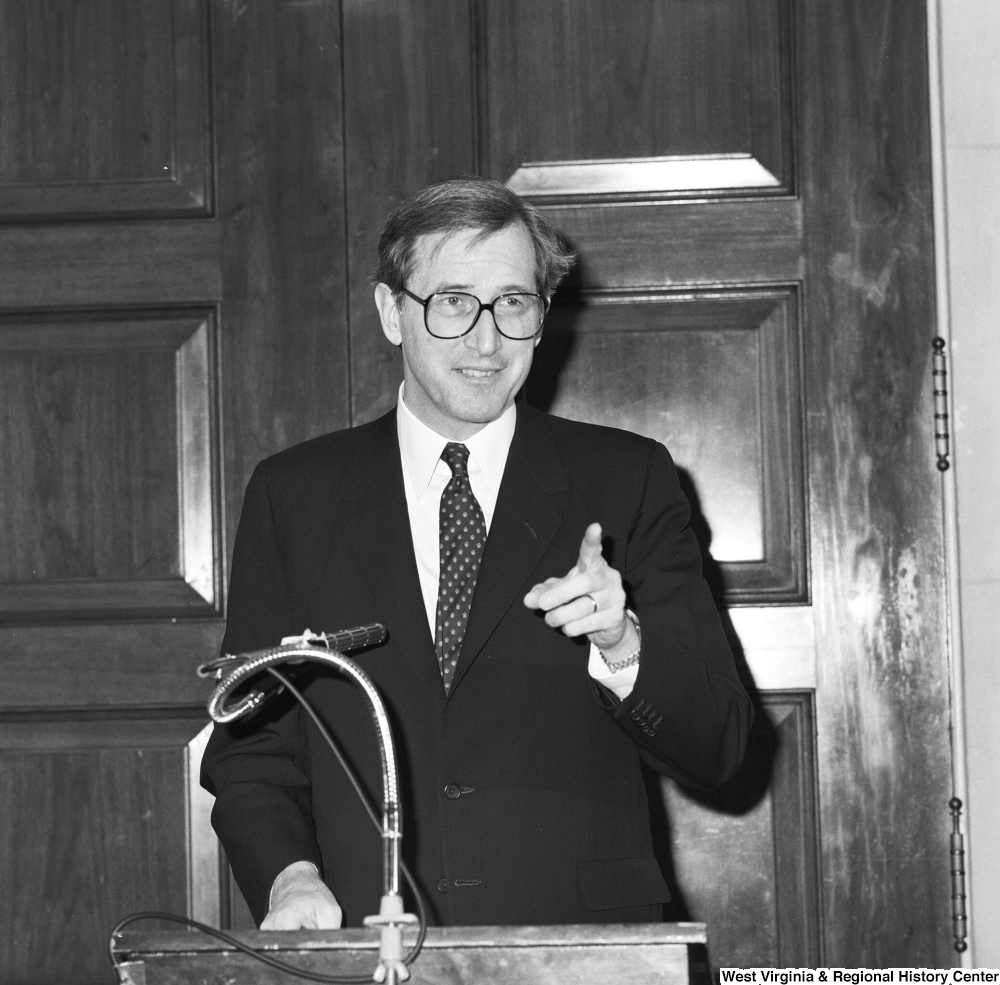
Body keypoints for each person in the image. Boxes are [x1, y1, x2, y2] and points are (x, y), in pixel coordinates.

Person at [201, 176, 752, 931]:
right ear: (392, 312)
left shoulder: (629, 479)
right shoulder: (293, 495)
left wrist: (622, 643)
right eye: (454, 302)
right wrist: (291, 878)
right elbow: (250, 747)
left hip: (584, 956)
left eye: (514, 304)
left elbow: (721, 745)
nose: (487, 340)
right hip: (371, 948)